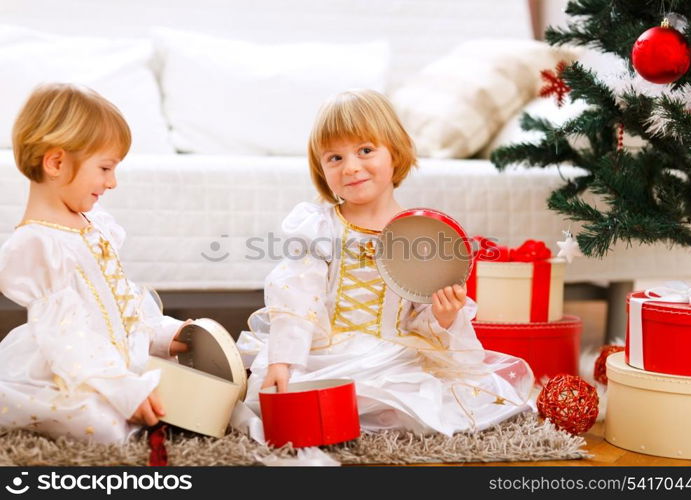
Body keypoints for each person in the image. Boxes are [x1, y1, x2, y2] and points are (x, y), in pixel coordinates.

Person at [235, 89, 534, 437]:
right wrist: (283, 360)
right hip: (323, 354)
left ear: (395, 151)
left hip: (392, 354)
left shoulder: (419, 234)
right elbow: (295, 296)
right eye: (334, 158)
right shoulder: (318, 228)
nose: (351, 167)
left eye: (365, 150)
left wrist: (443, 316)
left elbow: (416, 315)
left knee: (420, 395)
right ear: (321, 168)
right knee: (299, 390)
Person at [0, 83, 190, 444]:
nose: (112, 182)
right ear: (56, 162)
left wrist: (162, 334)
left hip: (111, 361)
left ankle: (127, 387)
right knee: (102, 424)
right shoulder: (38, 244)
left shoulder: (95, 224)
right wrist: (121, 390)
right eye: (105, 168)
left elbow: (122, 306)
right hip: (68, 366)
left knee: (182, 388)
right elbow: (65, 338)